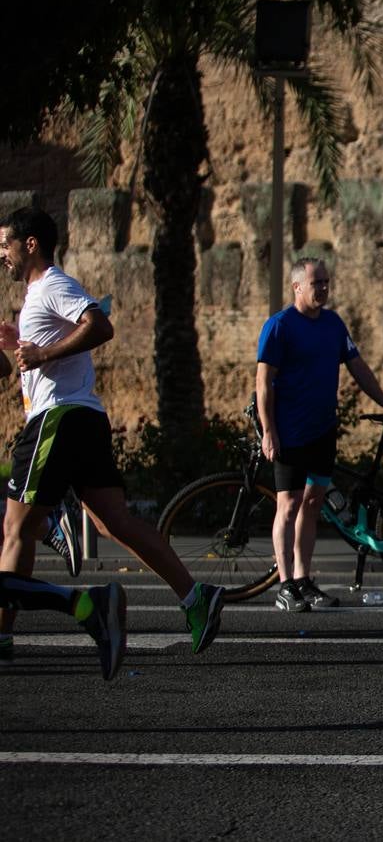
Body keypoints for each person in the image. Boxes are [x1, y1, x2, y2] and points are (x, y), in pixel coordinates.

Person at [0, 206, 223, 677]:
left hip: (57, 420)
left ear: (31, 243)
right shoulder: (36, 297)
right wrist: (18, 347)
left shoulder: (53, 285)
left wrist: (41, 352)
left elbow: (100, 325)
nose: (3, 254)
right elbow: (33, 361)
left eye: (6, 244)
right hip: (84, 418)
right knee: (112, 523)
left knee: (16, 530)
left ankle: (2, 635)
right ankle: (194, 594)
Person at [256, 257, 383, 612]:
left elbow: (358, 368)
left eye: (326, 282)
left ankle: (304, 580)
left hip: (323, 430)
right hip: (289, 433)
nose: (323, 288)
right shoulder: (279, 326)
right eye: (316, 283)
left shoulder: (333, 324)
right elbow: (263, 383)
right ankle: (285, 585)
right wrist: (269, 431)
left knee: (312, 504)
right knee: (289, 504)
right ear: (297, 287)